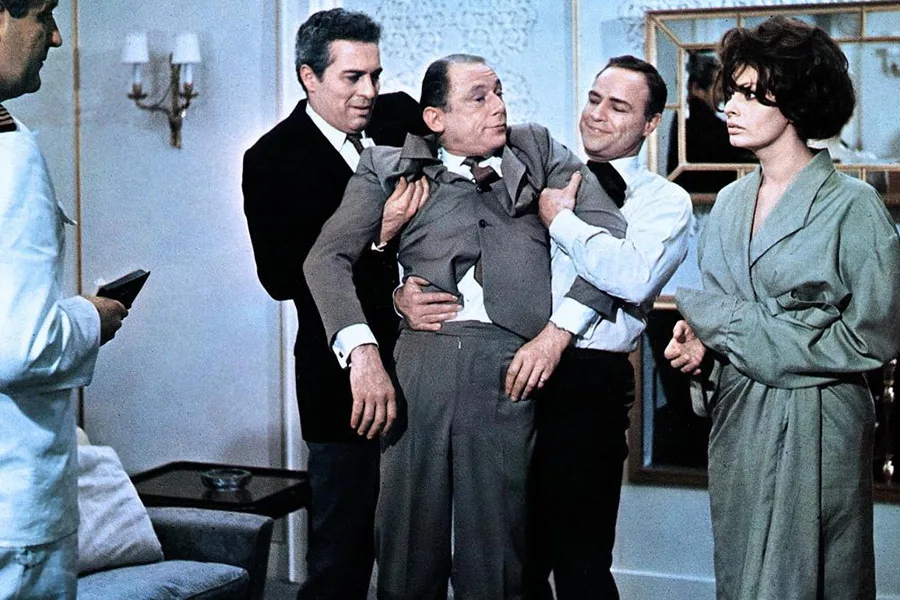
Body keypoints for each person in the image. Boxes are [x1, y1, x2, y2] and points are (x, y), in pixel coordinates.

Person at [303, 54, 626, 600]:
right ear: (436, 118)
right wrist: (364, 354)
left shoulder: (537, 149)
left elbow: (611, 245)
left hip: (512, 368)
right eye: (479, 98)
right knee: (407, 549)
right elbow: (325, 260)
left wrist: (556, 336)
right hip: (419, 366)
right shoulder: (385, 166)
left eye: (499, 92)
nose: (498, 107)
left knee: (496, 556)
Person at [396, 55, 693, 599]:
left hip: (586, 381)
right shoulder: (535, 165)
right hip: (509, 371)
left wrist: (563, 224)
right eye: (594, 99)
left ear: (651, 124)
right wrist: (402, 295)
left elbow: (629, 277)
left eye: (618, 107)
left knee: (581, 561)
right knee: (514, 557)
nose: (597, 115)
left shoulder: (664, 201)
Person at [664, 16, 900, 600]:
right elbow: (721, 321)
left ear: (795, 101)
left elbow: (874, 337)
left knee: (813, 578)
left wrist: (733, 326)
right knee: (744, 576)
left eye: (750, 94)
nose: (730, 107)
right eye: (732, 92)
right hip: (740, 418)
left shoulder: (854, 206)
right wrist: (702, 348)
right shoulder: (728, 203)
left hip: (820, 421)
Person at [241, 8, 426, 600]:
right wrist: (378, 233)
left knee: (418, 552)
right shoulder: (271, 159)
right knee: (342, 557)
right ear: (309, 77)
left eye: (375, 74)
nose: (369, 91)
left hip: (427, 366)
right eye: (352, 77)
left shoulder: (398, 117)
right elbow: (281, 277)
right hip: (339, 379)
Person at [0, 1, 128, 598]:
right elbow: (24, 347)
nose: (54, 37)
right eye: (44, 14)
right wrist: (91, 316)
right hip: (12, 502)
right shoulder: (9, 154)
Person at [666, 52, 753, 194]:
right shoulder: (702, 123)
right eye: (718, 90)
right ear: (697, 89)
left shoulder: (683, 118)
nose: (721, 98)